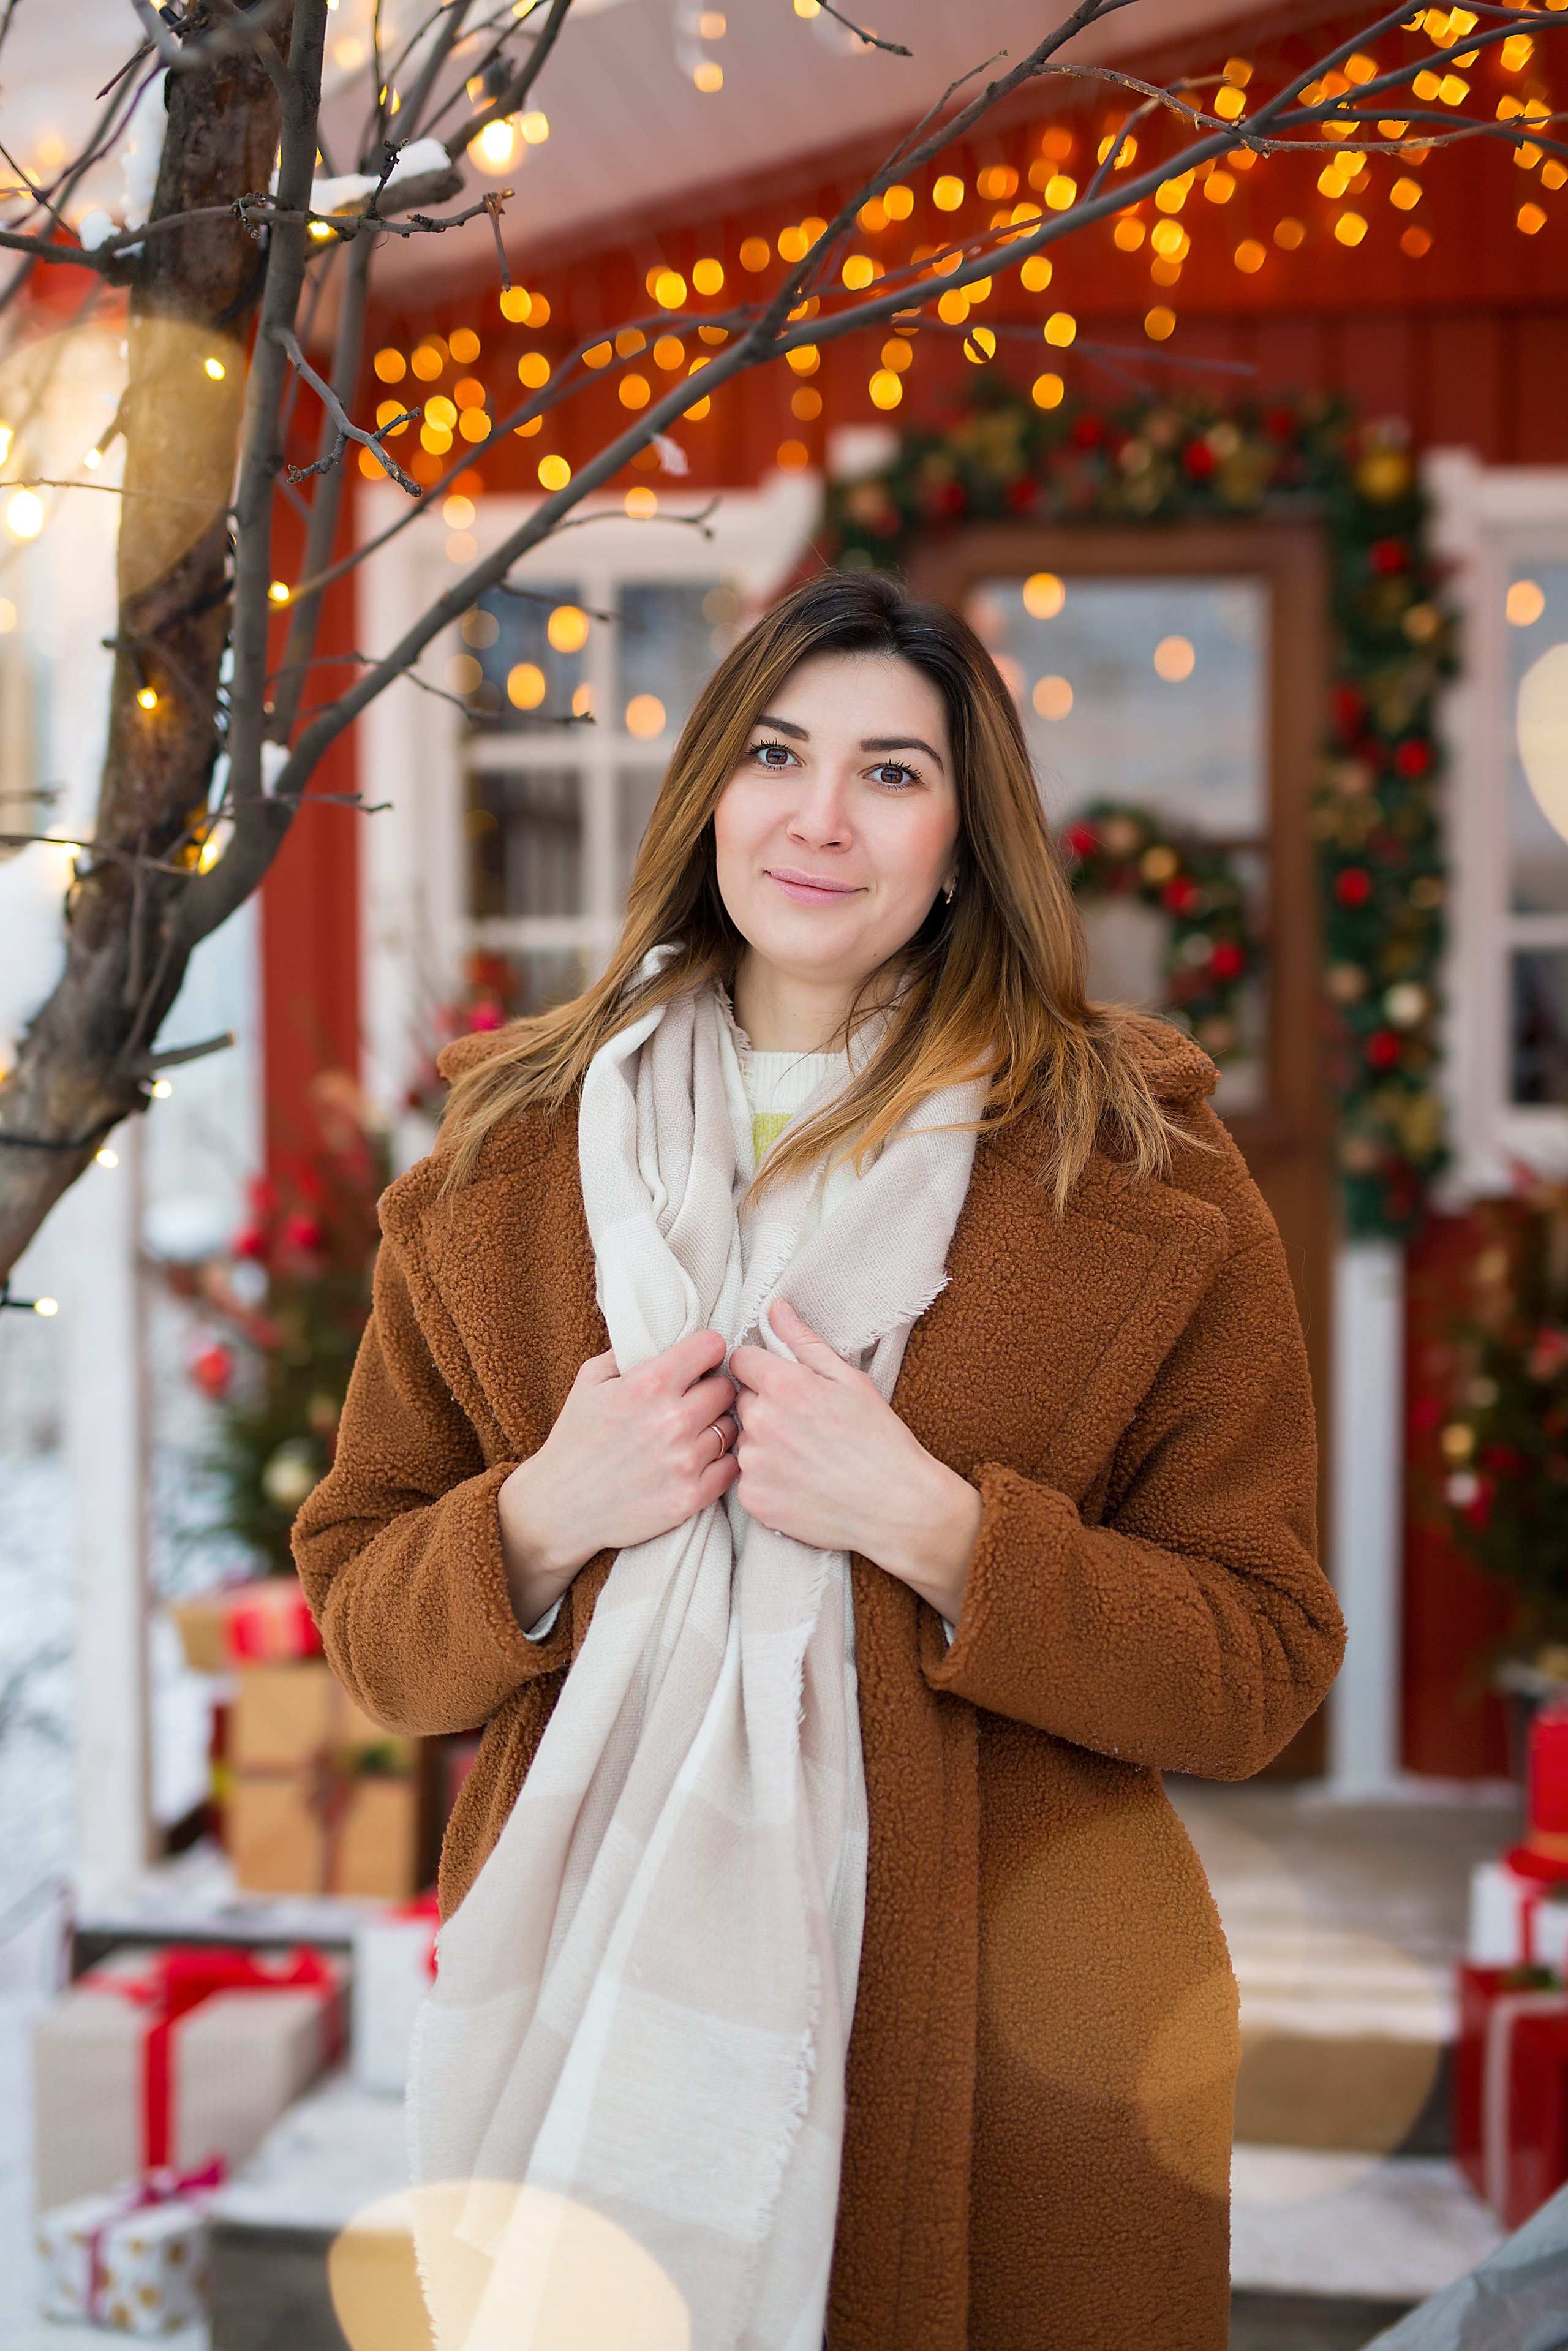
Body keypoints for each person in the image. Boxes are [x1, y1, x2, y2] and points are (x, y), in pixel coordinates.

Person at [294, 569, 1343, 2351]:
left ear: (967, 837)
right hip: (602, 2008)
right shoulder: (509, 1164)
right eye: (779, 753)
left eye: (894, 772)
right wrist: (543, 1520)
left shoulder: (1137, 1173)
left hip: (1023, 2048)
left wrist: (944, 1537)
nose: (821, 820)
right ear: (709, 786)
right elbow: (374, 1631)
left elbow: (1258, 1670)